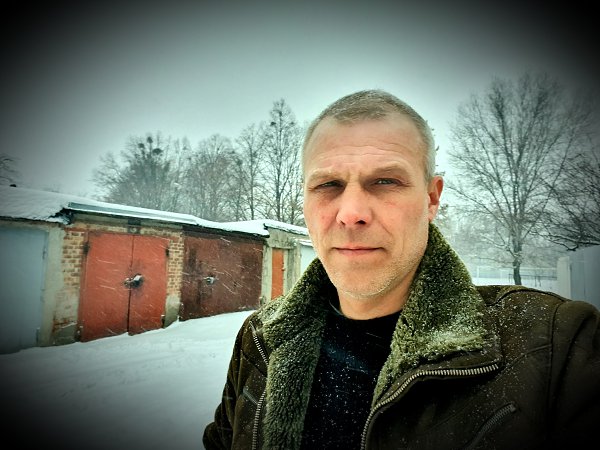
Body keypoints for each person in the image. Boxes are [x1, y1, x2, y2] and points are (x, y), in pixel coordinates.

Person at [203, 89, 600, 449]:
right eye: (328, 185)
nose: (351, 213)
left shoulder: (556, 344)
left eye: (385, 181)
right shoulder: (261, 339)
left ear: (431, 198)